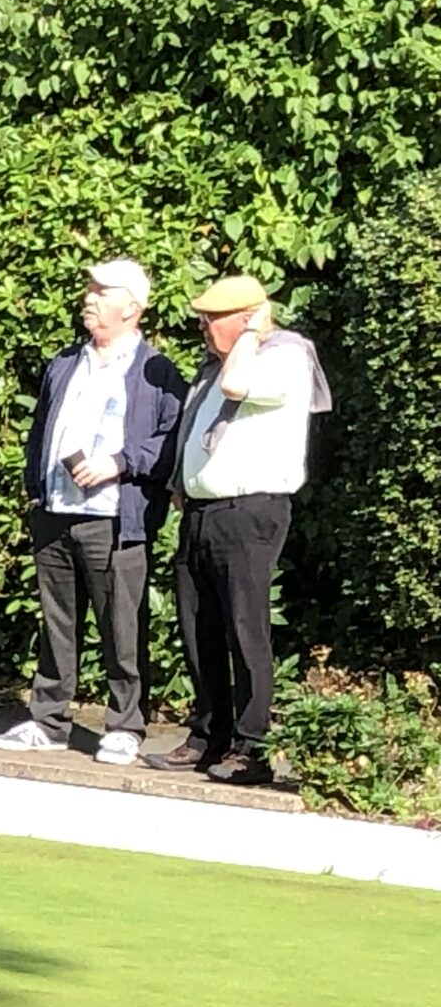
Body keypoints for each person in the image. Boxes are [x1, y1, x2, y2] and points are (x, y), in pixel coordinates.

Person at [0, 259, 188, 766]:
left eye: (103, 292)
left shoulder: (156, 372)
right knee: (57, 623)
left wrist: (120, 463)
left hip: (114, 519)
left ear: (133, 307)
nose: (90, 298)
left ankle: (125, 726)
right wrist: (35, 491)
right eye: (90, 290)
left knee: (122, 625)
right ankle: (48, 721)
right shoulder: (64, 363)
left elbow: (171, 440)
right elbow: (41, 429)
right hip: (54, 512)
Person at [145, 274, 331, 786]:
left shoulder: (283, 356)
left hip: (250, 512)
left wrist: (251, 333)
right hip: (203, 512)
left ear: (250, 317)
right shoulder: (217, 366)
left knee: (245, 629)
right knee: (198, 627)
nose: (204, 327)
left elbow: (237, 388)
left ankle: (252, 747)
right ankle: (209, 735)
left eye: (214, 318)